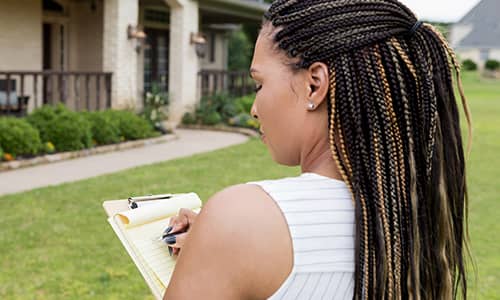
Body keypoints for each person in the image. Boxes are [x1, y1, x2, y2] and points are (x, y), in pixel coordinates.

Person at [162, 0, 473, 299]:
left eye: (259, 84)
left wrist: (216, 244)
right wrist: (211, 244)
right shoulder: (412, 217)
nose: (255, 109)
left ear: (314, 84)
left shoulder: (237, 219)